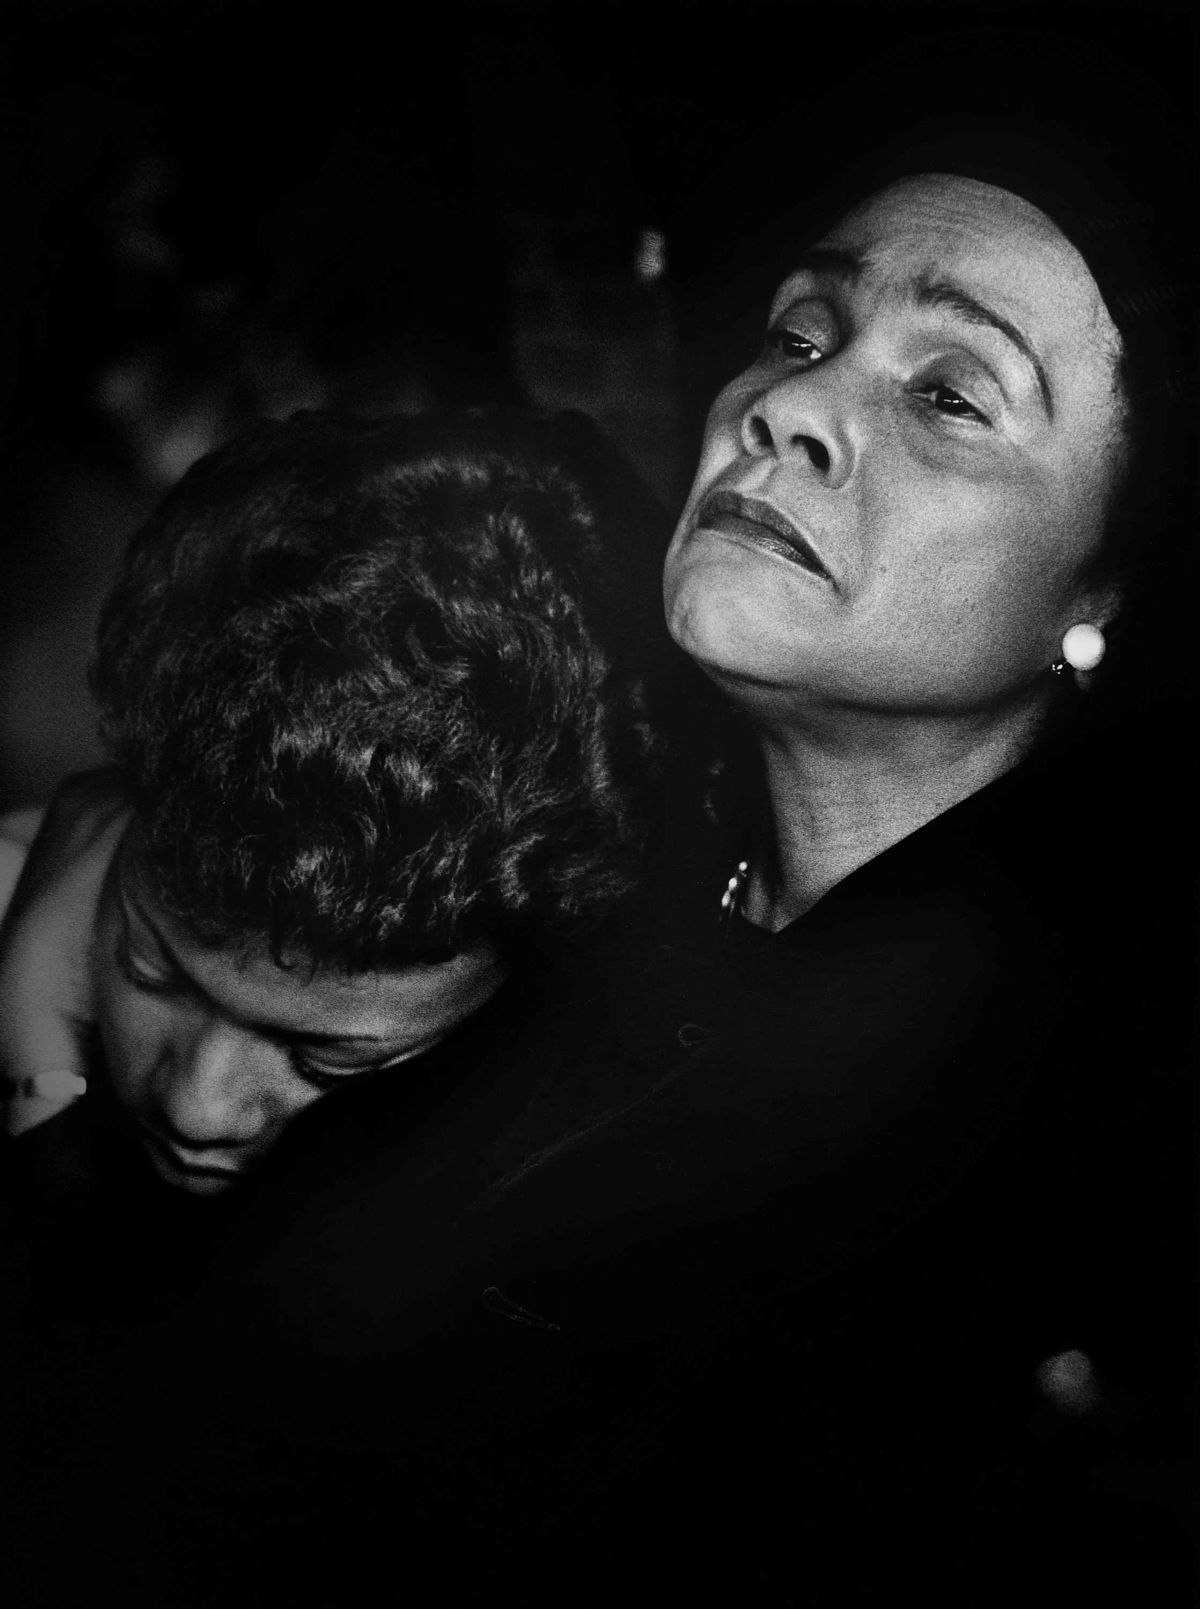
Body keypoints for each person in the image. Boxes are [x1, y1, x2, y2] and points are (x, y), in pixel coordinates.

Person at [2, 53, 1194, 1609]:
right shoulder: (557, 845)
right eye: (799, 330)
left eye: (951, 394)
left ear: (1101, 600)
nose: (792, 406)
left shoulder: (1078, 1141)